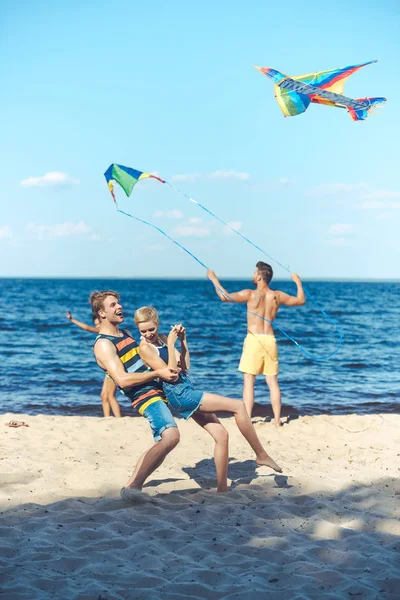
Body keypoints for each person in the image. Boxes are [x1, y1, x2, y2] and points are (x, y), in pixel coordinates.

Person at [134, 306, 282, 474]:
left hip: (186, 387)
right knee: (239, 406)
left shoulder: (160, 338)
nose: (148, 334)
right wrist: (170, 343)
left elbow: (186, 364)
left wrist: (183, 340)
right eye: (143, 331)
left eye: (151, 329)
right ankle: (261, 455)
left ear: (157, 324)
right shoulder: (145, 348)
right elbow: (171, 376)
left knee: (221, 435)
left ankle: (222, 490)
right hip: (178, 393)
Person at [90, 290, 181, 502]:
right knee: (171, 437)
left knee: (163, 442)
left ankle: (131, 486)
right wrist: (158, 373)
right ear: (101, 313)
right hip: (145, 396)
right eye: (113, 305)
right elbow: (121, 379)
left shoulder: (126, 334)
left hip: (159, 389)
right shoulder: (104, 344)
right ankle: (134, 487)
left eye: (118, 303)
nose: (119, 307)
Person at [207, 262, 306, 427]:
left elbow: (225, 297)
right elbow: (301, 300)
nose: (253, 275)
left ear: (259, 276)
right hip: (270, 340)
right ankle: (276, 421)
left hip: (254, 340)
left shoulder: (250, 294)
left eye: (254, 273)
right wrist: (297, 282)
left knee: (249, 382)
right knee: (272, 382)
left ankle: (247, 418)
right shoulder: (277, 296)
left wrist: (213, 279)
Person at [66, 310, 121, 418]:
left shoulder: (109, 333)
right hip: (108, 370)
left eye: (99, 324)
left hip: (113, 368)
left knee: (110, 396)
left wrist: (72, 320)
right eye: (96, 325)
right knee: (104, 396)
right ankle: (107, 418)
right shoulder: (103, 334)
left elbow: (87, 328)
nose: (97, 327)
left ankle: (119, 419)